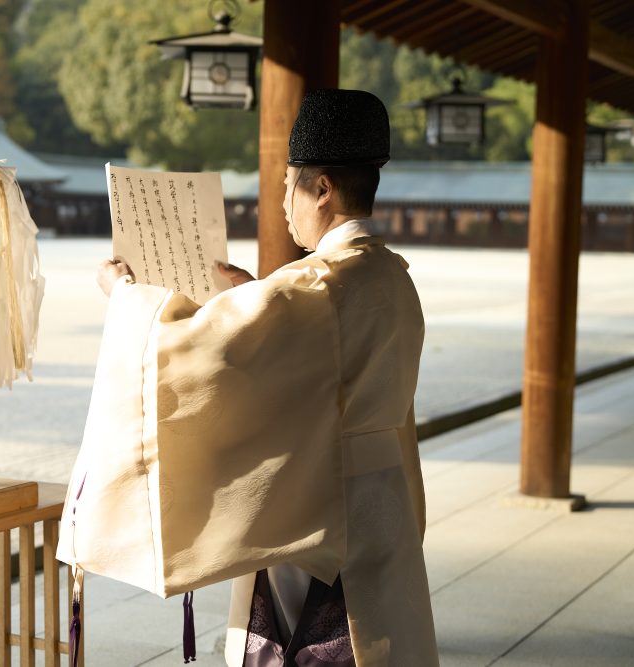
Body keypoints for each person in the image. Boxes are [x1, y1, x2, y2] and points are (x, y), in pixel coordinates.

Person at [86, 89, 438, 666]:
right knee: (379, 636)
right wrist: (252, 294)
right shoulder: (390, 275)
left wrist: (126, 298)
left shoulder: (315, 285)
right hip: (382, 500)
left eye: (287, 185)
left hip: (318, 504)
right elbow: (312, 361)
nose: (281, 200)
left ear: (321, 188)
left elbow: (198, 349)